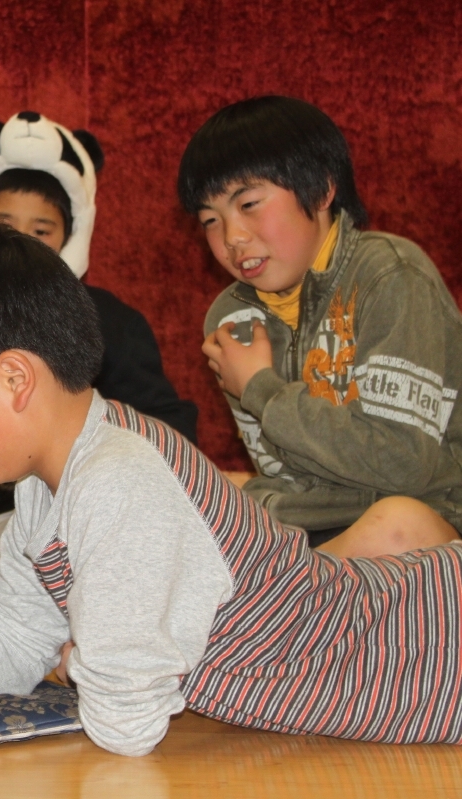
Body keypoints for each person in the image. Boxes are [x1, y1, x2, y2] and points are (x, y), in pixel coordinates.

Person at [0, 223, 462, 757]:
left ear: (14, 377)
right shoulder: (46, 484)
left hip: (431, 655)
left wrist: (76, 662)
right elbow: (7, 657)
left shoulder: (118, 482)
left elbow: (126, 725)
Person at [0, 112, 197, 572]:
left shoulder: (112, 322)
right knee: (30, 564)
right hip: (6, 508)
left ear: (71, 236)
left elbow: (166, 425)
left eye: (41, 232)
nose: (22, 245)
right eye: (5, 225)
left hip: (108, 502)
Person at [185, 96, 462, 552]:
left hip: (422, 517)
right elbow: (282, 471)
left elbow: (403, 466)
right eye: (210, 220)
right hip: (306, 523)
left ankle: (283, 587)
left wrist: (261, 389)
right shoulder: (232, 318)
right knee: (177, 496)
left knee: (399, 523)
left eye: (249, 203)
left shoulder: (390, 275)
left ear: (320, 190)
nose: (232, 237)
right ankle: (288, 577)